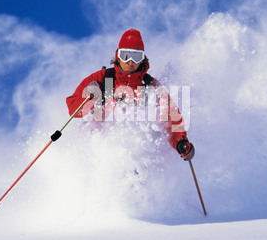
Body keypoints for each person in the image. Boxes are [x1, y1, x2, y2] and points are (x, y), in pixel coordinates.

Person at [66, 29, 195, 161]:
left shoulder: (150, 86)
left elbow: (173, 119)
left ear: (142, 59)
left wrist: (180, 141)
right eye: (125, 56)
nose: (130, 62)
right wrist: (89, 97)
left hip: (134, 156)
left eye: (136, 56)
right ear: (118, 56)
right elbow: (73, 109)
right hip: (97, 150)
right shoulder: (103, 78)